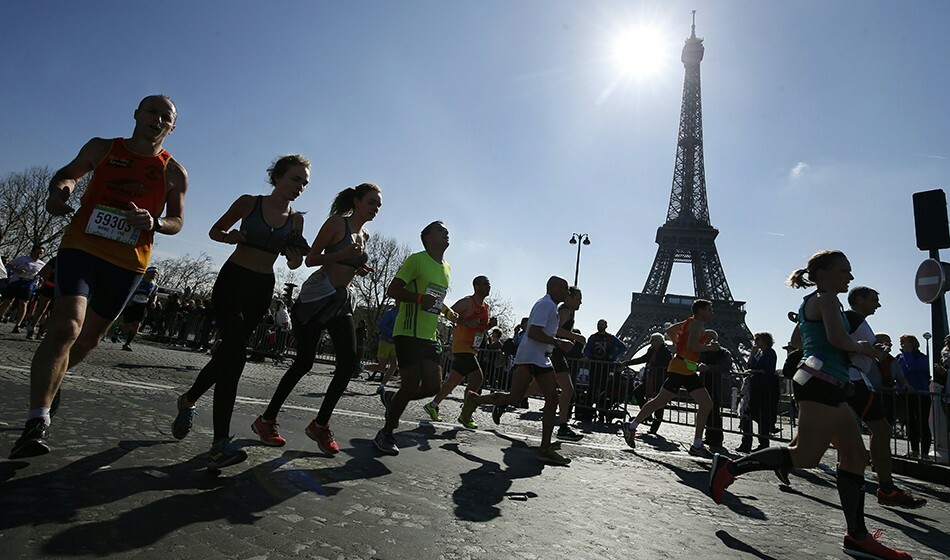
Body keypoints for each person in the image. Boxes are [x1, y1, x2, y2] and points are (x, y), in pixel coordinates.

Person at [9, 95, 187, 460]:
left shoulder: (173, 172)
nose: (156, 120)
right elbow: (68, 175)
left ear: (172, 126)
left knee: (88, 340)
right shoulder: (103, 148)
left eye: (164, 116)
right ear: (136, 114)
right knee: (67, 327)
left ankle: (52, 380)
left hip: (129, 262)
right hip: (82, 246)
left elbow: (177, 221)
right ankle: (37, 420)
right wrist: (58, 195)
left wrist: (154, 222)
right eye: (151, 111)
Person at [709, 250, 910, 560]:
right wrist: (866, 349)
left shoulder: (814, 302)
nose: (850, 277)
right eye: (845, 271)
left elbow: (805, 342)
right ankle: (730, 467)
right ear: (823, 274)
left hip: (826, 383)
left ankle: (857, 535)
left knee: (855, 455)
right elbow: (837, 339)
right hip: (820, 383)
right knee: (804, 455)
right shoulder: (827, 300)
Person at [171, 154, 308, 469]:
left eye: (304, 183)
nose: (299, 187)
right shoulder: (249, 203)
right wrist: (229, 237)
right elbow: (215, 232)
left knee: (227, 356)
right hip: (232, 281)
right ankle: (220, 444)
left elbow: (294, 262)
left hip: (261, 288)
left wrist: (292, 256)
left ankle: (188, 399)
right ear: (277, 177)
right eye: (294, 179)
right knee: (235, 357)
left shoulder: (297, 219)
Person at [254, 183, 381, 455]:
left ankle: (320, 425)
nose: (376, 209)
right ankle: (266, 420)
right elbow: (312, 259)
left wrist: (358, 266)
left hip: (341, 300)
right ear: (357, 201)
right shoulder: (337, 223)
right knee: (303, 362)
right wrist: (344, 255)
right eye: (372, 202)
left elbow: (347, 262)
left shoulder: (366, 233)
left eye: (378, 205)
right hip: (317, 297)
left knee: (348, 364)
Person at [468, 276, 577, 466]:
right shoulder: (547, 305)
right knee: (514, 398)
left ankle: (545, 448)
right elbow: (534, 332)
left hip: (539, 357)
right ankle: (476, 399)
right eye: (565, 289)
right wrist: (559, 342)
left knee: (551, 399)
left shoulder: (549, 305)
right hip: (530, 357)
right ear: (554, 288)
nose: (567, 293)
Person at [839, 288, 928, 509]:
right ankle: (885, 489)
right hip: (852, 378)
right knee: (878, 432)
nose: (878, 305)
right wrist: (862, 350)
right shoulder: (851, 319)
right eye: (874, 300)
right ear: (859, 300)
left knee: (878, 431)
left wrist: (870, 350)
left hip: (855, 378)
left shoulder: (857, 320)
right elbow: (835, 341)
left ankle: (885, 488)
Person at [374, 221, 456, 456]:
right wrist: (419, 299)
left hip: (429, 334)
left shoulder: (447, 267)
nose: (446, 232)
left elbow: (436, 300)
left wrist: (449, 313)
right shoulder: (415, 260)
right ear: (428, 237)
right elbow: (393, 290)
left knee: (433, 385)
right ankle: (386, 432)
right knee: (410, 383)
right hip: (408, 331)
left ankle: (393, 398)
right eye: (441, 230)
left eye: (446, 230)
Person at [623, 300, 719, 457]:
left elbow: (671, 330)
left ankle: (697, 443)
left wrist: (678, 345)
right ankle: (632, 425)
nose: (712, 312)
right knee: (663, 401)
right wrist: (711, 348)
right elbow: (693, 346)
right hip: (681, 369)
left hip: (685, 368)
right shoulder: (696, 324)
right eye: (709, 309)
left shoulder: (690, 322)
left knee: (702, 402)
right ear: (701, 311)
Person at [424, 276, 498, 428]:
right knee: (477, 378)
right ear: (476, 286)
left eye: (489, 285)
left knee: (453, 381)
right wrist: (465, 322)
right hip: (461, 346)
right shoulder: (467, 302)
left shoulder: (486, 307)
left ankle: (433, 404)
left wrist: (490, 325)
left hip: (472, 348)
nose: (488, 287)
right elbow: (449, 315)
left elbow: (480, 328)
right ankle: (466, 413)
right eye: (485, 284)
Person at [551, 287, 586, 441]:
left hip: (556, 354)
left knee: (536, 387)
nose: (580, 302)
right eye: (578, 299)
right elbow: (556, 330)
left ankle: (506, 401)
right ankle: (563, 426)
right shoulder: (565, 311)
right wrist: (576, 337)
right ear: (569, 297)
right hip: (555, 354)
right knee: (568, 389)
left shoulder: (565, 311)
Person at [737, 332, 777, 452]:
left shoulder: (770, 352)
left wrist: (754, 371)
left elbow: (769, 370)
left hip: (763, 389)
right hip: (754, 388)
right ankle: (747, 443)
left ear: (765, 340)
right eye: (755, 339)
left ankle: (762, 444)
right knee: (748, 415)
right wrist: (752, 354)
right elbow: (749, 364)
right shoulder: (759, 353)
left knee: (759, 416)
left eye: (758, 339)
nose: (755, 342)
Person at [626, 333, 672, 434]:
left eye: (652, 340)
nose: (650, 342)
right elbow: (642, 359)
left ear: (659, 341)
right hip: (649, 379)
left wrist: (653, 365)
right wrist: (626, 363)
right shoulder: (651, 350)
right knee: (637, 392)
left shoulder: (666, 351)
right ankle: (647, 414)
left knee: (659, 403)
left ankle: (654, 428)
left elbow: (668, 363)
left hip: (659, 380)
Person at [897, 334, 932, 460]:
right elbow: (897, 374)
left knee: (922, 422)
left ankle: (925, 453)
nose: (901, 344)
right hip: (907, 395)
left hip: (921, 393)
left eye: (904, 342)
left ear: (912, 343)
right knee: (910, 422)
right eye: (900, 342)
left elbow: (912, 367)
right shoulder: (899, 358)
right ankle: (915, 451)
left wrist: (907, 353)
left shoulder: (922, 358)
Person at [697, 329, 732, 448]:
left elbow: (726, 367)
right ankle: (709, 435)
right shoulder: (703, 352)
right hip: (705, 383)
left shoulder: (723, 352)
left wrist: (708, 368)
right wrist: (699, 366)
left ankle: (716, 438)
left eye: (706, 338)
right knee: (706, 410)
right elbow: (693, 362)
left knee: (715, 411)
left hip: (717, 385)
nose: (704, 340)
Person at [0, 245, 46, 333]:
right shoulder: (23, 259)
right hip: (16, 281)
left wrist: (40, 279)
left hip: (28, 284)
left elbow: (42, 274)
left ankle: (17, 325)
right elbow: (8, 265)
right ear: (32, 252)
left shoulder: (42, 264)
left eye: (41, 254)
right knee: (8, 301)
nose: (39, 255)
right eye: (37, 253)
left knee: (23, 304)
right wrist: (17, 270)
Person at [113, 266, 159, 351]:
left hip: (142, 306)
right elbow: (130, 290)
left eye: (155, 274)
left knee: (137, 325)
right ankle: (118, 330)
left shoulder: (154, 285)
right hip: (132, 304)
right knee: (127, 324)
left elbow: (154, 294)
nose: (154, 275)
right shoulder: (139, 281)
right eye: (152, 273)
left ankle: (127, 344)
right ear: (147, 273)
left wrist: (153, 302)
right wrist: (128, 301)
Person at [23, 256, 57, 340]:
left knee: (55, 311)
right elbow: (43, 271)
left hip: (63, 289)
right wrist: (46, 280)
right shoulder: (59, 257)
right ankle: (32, 328)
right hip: (50, 285)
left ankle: (42, 331)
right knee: (42, 308)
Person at [367, 305, 398, 390]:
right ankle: (362, 367)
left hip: (394, 343)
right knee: (381, 366)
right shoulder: (389, 313)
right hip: (385, 341)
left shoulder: (401, 314)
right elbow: (381, 326)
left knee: (394, 365)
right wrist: (392, 333)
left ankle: (382, 385)